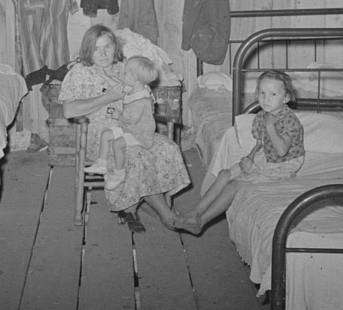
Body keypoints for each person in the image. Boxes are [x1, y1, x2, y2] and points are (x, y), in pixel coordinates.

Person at [59, 25, 190, 232]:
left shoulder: (125, 68)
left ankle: (136, 201)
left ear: (115, 47)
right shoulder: (79, 73)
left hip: (133, 129)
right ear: (88, 50)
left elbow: (144, 94)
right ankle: (167, 216)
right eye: (96, 49)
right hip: (100, 137)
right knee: (135, 154)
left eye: (107, 47)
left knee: (168, 147)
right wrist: (108, 98)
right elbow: (69, 110)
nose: (103, 54)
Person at [174, 70, 305, 235]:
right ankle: (195, 213)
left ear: (285, 98)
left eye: (273, 94)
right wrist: (250, 157)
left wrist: (270, 126)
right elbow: (260, 143)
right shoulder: (262, 116)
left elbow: (281, 151)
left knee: (233, 185)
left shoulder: (289, 121)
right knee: (223, 174)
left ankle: (202, 221)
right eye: (262, 93)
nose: (266, 99)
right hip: (264, 157)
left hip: (282, 165)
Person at [83, 55, 159, 190]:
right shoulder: (133, 88)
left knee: (118, 144)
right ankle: (102, 164)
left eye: (125, 73)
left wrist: (118, 115)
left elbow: (132, 119)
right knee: (106, 134)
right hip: (129, 128)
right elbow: (118, 86)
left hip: (140, 133)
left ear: (135, 78)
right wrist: (104, 76)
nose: (123, 74)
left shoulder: (142, 98)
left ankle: (119, 174)